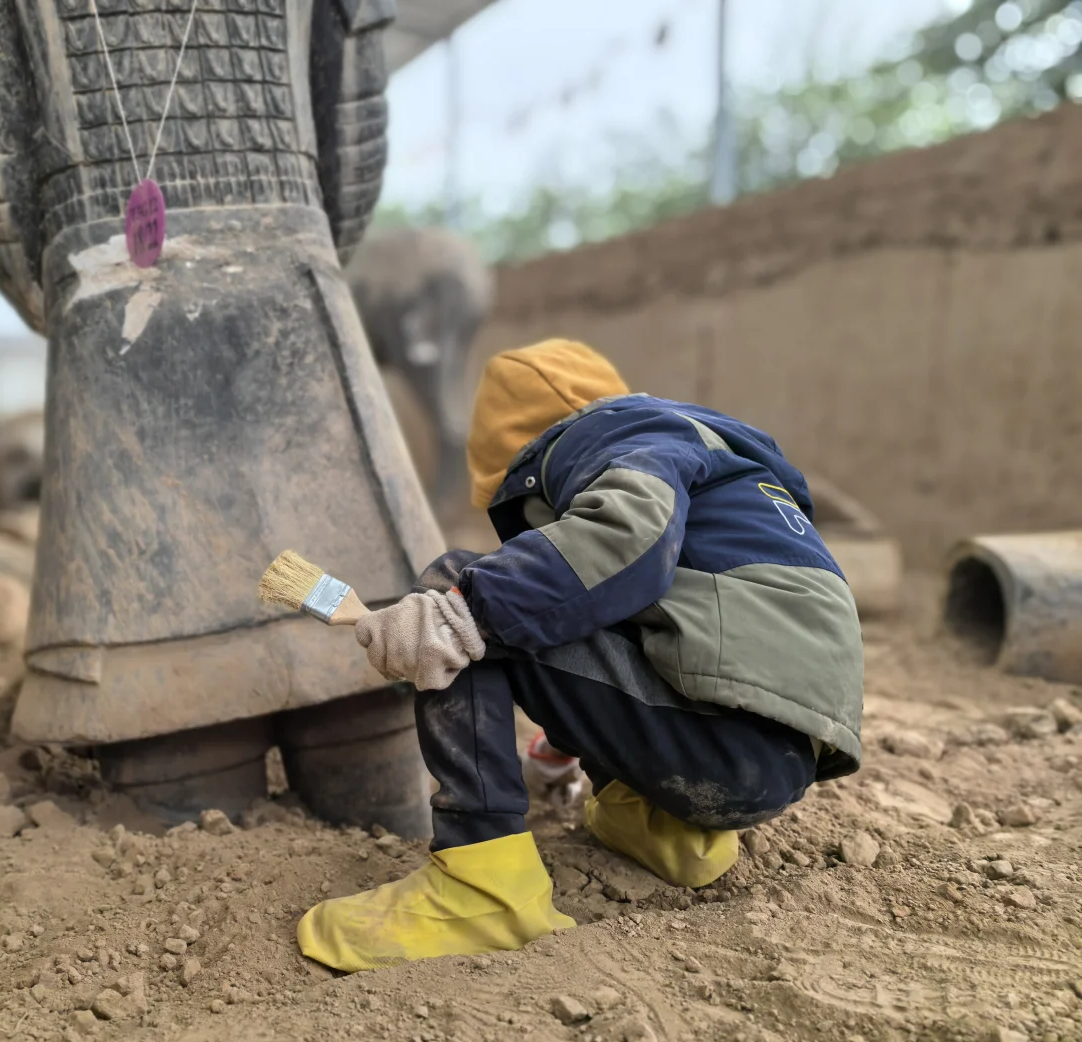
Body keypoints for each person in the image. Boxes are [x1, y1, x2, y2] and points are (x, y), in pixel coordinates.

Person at [297, 339, 864, 973]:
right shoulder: (713, 459)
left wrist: (462, 612)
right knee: (552, 598)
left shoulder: (610, 438)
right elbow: (649, 620)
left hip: (718, 735)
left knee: (463, 588)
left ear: (527, 459)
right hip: (775, 752)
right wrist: (561, 740)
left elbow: (626, 539)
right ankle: (665, 829)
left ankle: (483, 888)